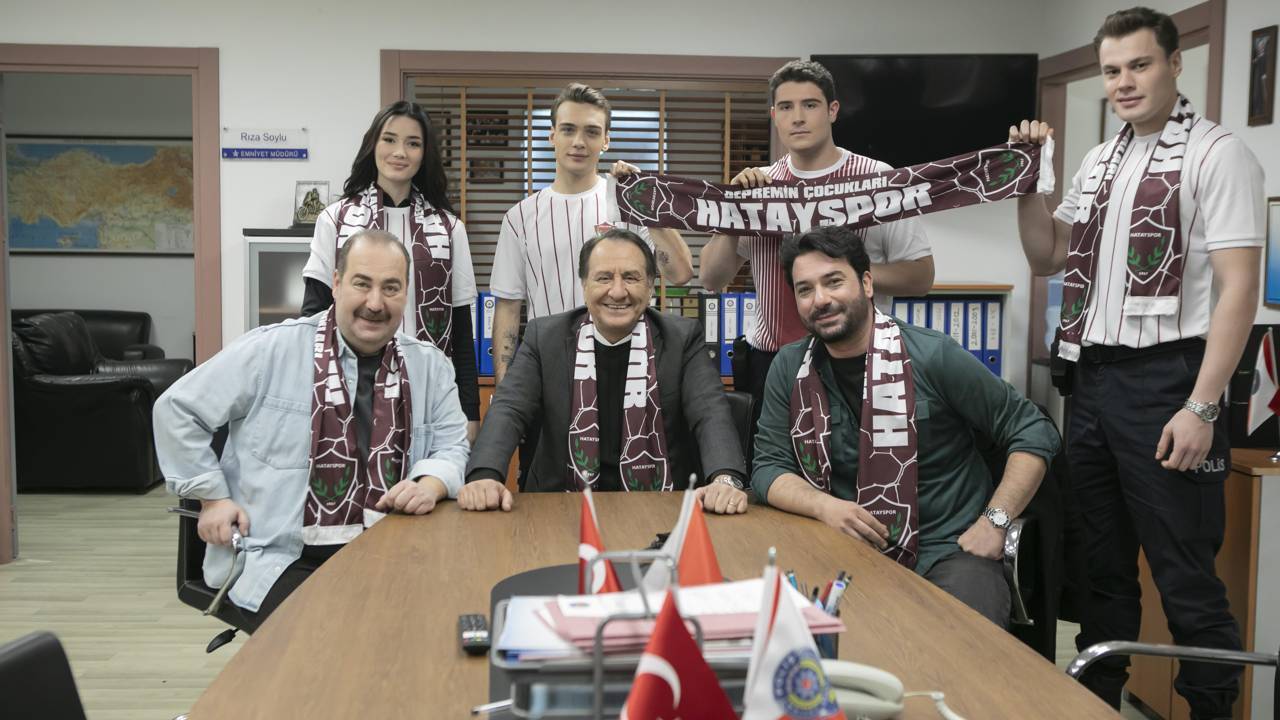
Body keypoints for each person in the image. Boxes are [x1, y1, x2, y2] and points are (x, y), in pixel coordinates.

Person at [1009, 8, 1266, 716]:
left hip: (1169, 382)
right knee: (1100, 570)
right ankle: (1098, 705)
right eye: (1112, 70)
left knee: (1185, 578)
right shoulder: (1100, 160)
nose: (1124, 81)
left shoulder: (1219, 155)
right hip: (1091, 380)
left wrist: (1202, 406)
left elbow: (1239, 289)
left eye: (1140, 65)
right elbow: (1047, 254)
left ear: (1175, 64)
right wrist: (1027, 184)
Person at [157, 230, 470, 630]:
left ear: (405, 293)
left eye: (391, 288)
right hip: (283, 558)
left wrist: (431, 484)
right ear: (336, 284)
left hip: (395, 547)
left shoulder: (431, 367)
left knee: (437, 629)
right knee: (336, 637)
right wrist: (212, 498)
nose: (375, 303)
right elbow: (176, 409)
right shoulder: (271, 350)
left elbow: (452, 447)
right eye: (362, 284)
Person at [751, 225, 1059, 627]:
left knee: (962, 643)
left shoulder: (932, 355)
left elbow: (1032, 430)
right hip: (844, 548)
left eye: (833, 282)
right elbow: (769, 467)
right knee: (798, 637)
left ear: (866, 283)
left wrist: (995, 521)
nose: (820, 299)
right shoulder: (790, 367)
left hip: (948, 551)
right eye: (805, 289)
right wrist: (824, 506)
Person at [699, 60, 935, 423]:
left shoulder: (878, 180)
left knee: (863, 454)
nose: (798, 118)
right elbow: (712, 278)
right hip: (772, 360)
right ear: (774, 116)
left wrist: (841, 273)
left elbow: (920, 277)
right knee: (774, 456)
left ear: (832, 110)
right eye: (786, 107)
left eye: (809, 105)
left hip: (858, 355)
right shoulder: (760, 186)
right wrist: (731, 209)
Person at [461, 228, 747, 514]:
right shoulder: (545, 337)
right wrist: (485, 474)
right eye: (604, 278)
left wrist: (725, 478)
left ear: (650, 286)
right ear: (584, 285)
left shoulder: (682, 338)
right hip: (559, 504)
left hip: (663, 506)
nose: (618, 291)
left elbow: (710, 412)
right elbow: (509, 408)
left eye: (631, 278)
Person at [489, 83, 695, 385]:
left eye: (591, 132)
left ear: (606, 140)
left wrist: (647, 203)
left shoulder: (629, 203)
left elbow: (680, 274)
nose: (579, 142)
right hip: (550, 370)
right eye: (568, 130)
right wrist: (505, 392)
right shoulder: (519, 217)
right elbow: (508, 308)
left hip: (630, 367)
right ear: (552, 136)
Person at [301, 101, 480, 440]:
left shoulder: (448, 229)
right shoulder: (335, 221)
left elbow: (460, 331)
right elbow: (314, 315)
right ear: (373, 144)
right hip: (348, 387)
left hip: (429, 388)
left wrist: (470, 410)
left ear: (425, 154)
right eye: (389, 139)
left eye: (413, 143)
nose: (400, 152)